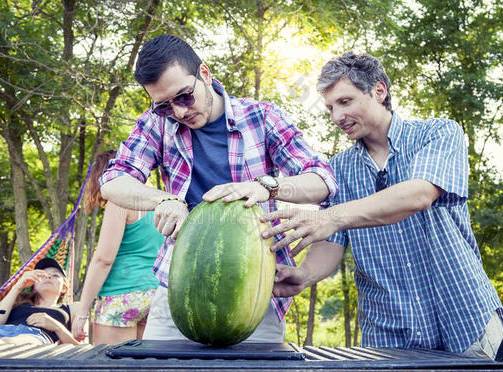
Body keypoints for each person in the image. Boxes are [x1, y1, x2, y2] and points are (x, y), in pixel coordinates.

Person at [261, 51, 503, 360]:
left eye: (345, 102)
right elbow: (332, 244)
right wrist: (304, 274)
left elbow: (418, 194)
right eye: (330, 108)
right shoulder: (338, 170)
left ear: (379, 91)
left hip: (467, 322)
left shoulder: (438, 134)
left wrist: (332, 216)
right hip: (388, 337)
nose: (337, 117)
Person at [99, 34, 337, 342]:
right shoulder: (156, 124)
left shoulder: (262, 117)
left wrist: (267, 188)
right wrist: (165, 199)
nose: (180, 112)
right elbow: (113, 179)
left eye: (184, 96)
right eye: (164, 106)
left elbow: (321, 178)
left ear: (205, 74)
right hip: (178, 284)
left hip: (253, 290)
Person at [71, 150, 164, 344]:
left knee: (109, 370)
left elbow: (104, 260)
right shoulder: (161, 201)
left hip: (120, 296)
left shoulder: (120, 202)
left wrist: (82, 312)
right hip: (156, 296)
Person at [0, 258, 80, 344]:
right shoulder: (19, 304)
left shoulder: (72, 308)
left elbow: (82, 348)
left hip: (36, 337)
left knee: (16, 342)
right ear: (34, 284)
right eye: (43, 275)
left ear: (64, 287)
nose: (49, 276)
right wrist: (17, 287)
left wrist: (57, 327)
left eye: (55, 275)